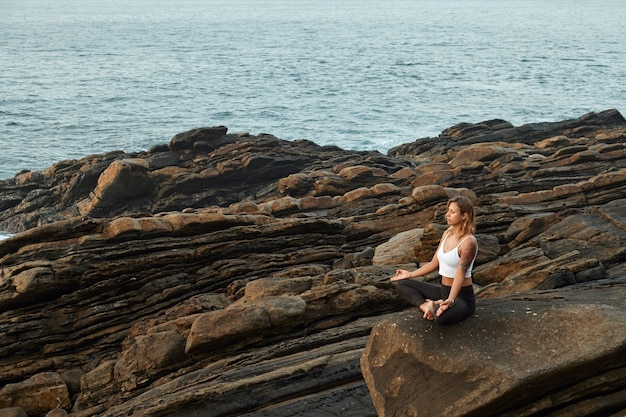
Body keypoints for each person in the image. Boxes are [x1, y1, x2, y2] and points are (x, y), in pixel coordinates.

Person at [391, 195, 478, 324]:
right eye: (448, 211)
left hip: (462, 297)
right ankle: (426, 305)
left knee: (440, 318)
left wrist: (451, 300)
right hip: (443, 290)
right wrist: (410, 274)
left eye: (452, 212)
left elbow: (460, 273)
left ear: (464, 215)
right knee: (402, 284)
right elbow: (433, 263)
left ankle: (438, 304)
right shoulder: (447, 234)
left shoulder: (468, 242)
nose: (447, 215)